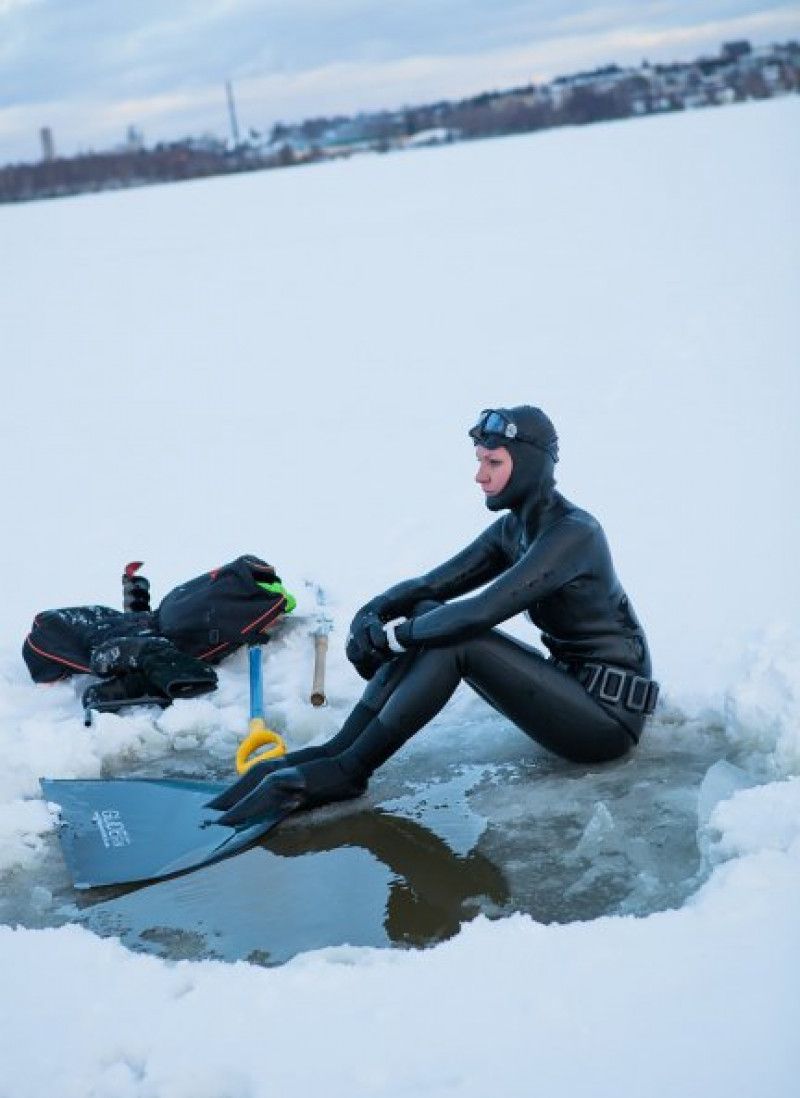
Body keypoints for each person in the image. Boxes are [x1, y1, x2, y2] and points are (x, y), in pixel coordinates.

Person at [211, 405, 658, 827]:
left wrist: (395, 638)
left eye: (494, 463)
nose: (480, 476)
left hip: (608, 720)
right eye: (480, 461)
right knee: (432, 615)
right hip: (571, 690)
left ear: (530, 464)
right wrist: (372, 613)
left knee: (461, 638)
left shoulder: (574, 535)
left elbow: (479, 612)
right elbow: (430, 588)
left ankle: (350, 769)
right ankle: (339, 748)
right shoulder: (514, 529)